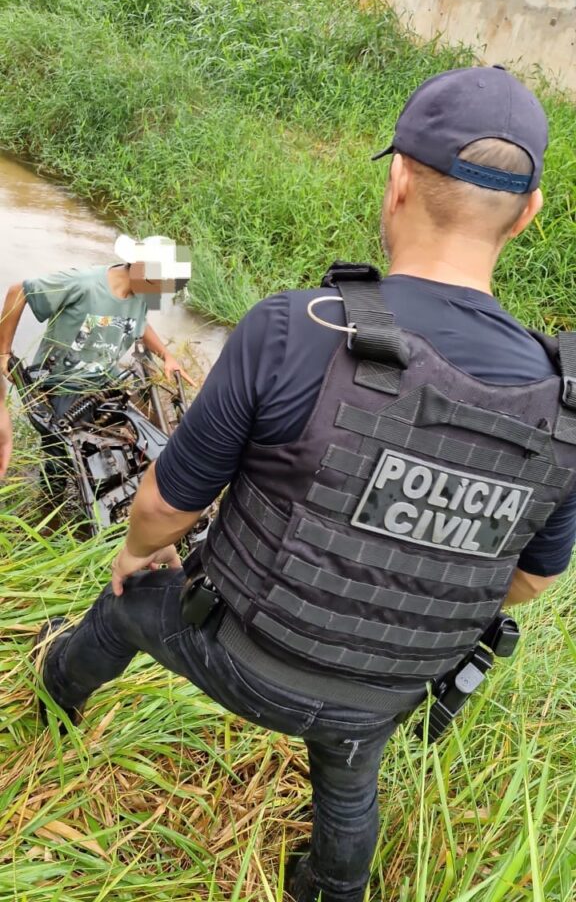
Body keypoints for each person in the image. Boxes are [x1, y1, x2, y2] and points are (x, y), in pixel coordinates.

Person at [34, 67, 576, 902]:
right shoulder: (567, 401)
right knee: (353, 778)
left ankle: (54, 692)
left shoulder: (298, 326)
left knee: (132, 601)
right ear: (530, 214)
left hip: (243, 654)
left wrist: (137, 555)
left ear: (397, 181)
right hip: (385, 693)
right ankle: (332, 888)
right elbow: (532, 580)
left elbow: (168, 506)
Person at [0, 234, 192, 498]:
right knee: (62, 452)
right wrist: (4, 352)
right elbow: (18, 290)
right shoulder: (84, 283)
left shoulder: (140, 294)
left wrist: (167, 356)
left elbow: (139, 323)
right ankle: (49, 499)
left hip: (103, 375)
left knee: (139, 430)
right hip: (62, 379)